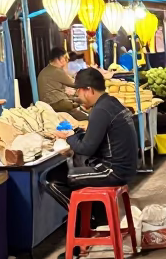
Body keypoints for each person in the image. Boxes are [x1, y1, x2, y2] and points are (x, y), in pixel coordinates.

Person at [45, 68, 138, 210]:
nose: (78, 95)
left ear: (88, 90)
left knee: (53, 179)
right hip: (127, 168)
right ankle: (94, 217)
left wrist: (70, 137)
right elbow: (96, 138)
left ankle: (82, 220)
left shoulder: (100, 110)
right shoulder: (111, 102)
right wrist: (76, 133)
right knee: (75, 164)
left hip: (113, 171)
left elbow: (86, 148)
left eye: (79, 91)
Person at [37, 47, 90, 120]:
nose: (67, 60)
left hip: (51, 102)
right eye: (66, 58)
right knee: (82, 101)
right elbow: (75, 84)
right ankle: (90, 118)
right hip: (57, 102)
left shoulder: (46, 70)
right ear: (61, 59)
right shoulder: (56, 71)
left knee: (78, 101)